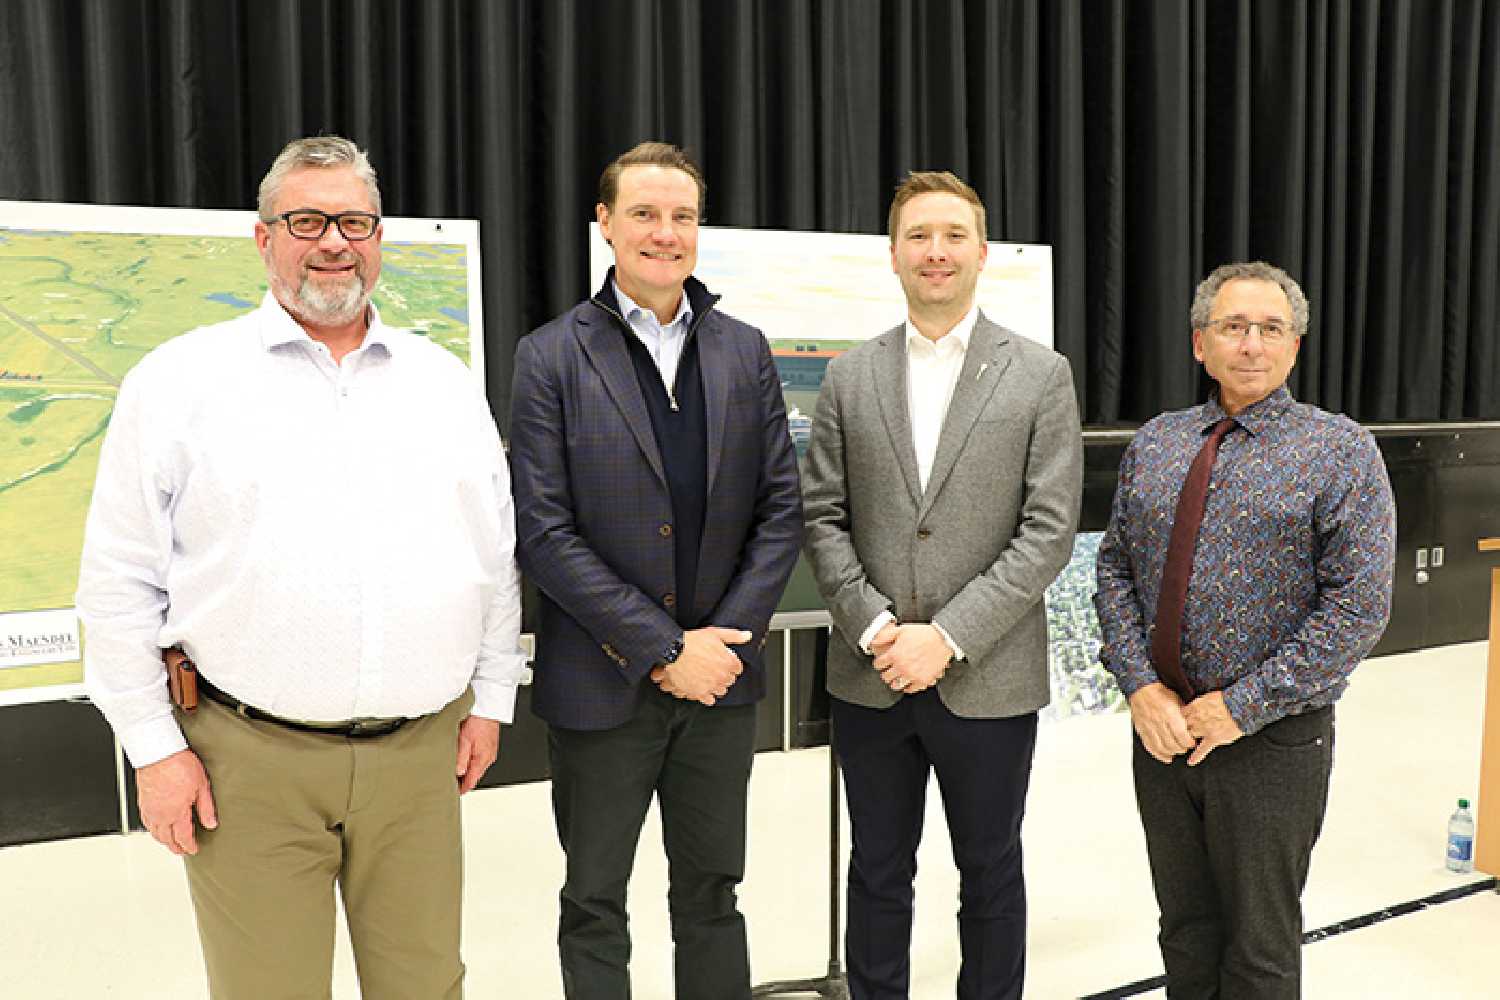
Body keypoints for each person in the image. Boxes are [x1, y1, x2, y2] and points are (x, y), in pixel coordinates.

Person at [76, 135, 526, 999]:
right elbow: (118, 580)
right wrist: (153, 750)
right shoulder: (179, 382)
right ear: (263, 237)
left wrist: (493, 700)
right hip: (248, 765)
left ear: (379, 236)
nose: (333, 242)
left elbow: (492, 558)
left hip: (418, 761)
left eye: (354, 222)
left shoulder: (442, 384)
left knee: (427, 985)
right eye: (307, 220)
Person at [507, 140, 803, 1000]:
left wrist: (721, 649)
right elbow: (544, 531)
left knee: (713, 894)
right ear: (604, 224)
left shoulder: (744, 351)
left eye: (682, 216)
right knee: (594, 898)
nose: (664, 233)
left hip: (720, 687)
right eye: (643, 213)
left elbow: (780, 510)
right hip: (601, 686)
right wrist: (666, 647)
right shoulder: (551, 356)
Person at [802, 170, 1083, 1000]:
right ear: (892, 255)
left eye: (953, 235)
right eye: (919, 235)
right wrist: (880, 628)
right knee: (877, 873)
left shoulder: (1040, 374)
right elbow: (822, 515)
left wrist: (948, 636)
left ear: (982, 252)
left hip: (987, 678)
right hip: (872, 674)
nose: (936, 251)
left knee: (990, 873)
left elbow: (1049, 530)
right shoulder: (851, 377)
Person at [1094, 261, 1396, 998]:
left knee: (1260, 949)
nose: (1252, 344)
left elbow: (1359, 606)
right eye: (1234, 327)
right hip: (1164, 737)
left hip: (1273, 744)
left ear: (1295, 347)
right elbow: (1113, 574)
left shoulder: (1340, 451)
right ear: (1202, 344)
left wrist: (1242, 706)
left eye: (1271, 329)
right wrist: (1139, 688)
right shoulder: (1159, 444)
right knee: (1185, 930)